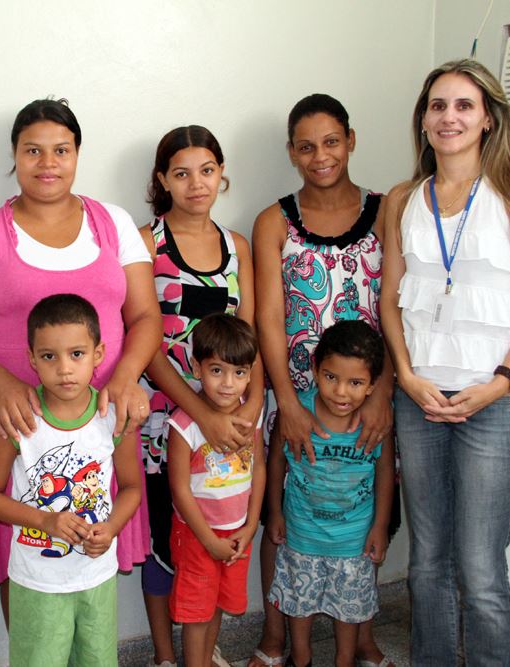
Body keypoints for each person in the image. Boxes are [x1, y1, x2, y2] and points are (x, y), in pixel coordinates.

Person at [0, 98, 160, 615]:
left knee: (90, 558)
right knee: (24, 563)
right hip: (19, 429)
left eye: (61, 150)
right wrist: (2, 383)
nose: (47, 162)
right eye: (32, 150)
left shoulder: (115, 223)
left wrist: (127, 377)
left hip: (100, 424)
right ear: (14, 156)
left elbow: (147, 317)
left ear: (78, 154)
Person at [380, 59, 510, 664]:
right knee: (427, 560)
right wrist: (404, 374)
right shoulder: (403, 199)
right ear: (423, 120)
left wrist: (501, 382)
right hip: (420, 396)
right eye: (437, 106)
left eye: (463, 106)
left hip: (498, 403)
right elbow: (390, 300)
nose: (448, 117)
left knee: (478, 568)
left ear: (487, 119)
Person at [251, 94, 393, 667]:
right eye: (306, 146)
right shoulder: (274, 220)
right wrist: (286, 399)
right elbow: (267, 314)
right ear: (291, 152)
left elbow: (394, 304)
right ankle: (275, 633)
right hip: (297, 395)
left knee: (357, 501)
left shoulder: (386, 211)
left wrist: (382, 394)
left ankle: (358, 635)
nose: (320, 156)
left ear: (351, 140)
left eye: (331, 141)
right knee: (286, 510)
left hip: (366, 393)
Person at [136, 125, 263, 667]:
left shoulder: (237, 246)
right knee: (170, 545)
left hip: (230, 423)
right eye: (181, 173)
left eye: (206, 170)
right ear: (163, 179)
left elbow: (250, 333)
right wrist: (200, 414)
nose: (196, 184)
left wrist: (248, 413)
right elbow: (144, 342)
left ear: (221, 173)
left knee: (219, 532)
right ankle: (167, 656)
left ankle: (203, 654)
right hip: (168, 422)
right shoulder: (146, 243)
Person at [0, 294, 142, 667]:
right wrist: (46, 521)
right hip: (37, 581)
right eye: (50, 356)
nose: (65, 369)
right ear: (32, 359)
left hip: (96, 577)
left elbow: (132, 488)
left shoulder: (113, 417)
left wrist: (112, 528)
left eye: (77, 354)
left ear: (98, 354)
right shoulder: (19, 420)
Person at [266, 320, 394, 667]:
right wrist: (275, 512)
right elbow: (276, 460)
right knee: (299, 603)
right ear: (315, 369)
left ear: (372, 386)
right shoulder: (297, 413)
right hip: (302, 535)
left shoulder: (375, 425)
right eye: (331, 377)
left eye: (356, 383)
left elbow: (385, 473)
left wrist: (380, 526)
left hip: (353, 541)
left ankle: (344, 660)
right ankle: (301, 657)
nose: (341, 392)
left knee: (348, 609)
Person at [166, 314, 265, 667]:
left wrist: (251, 525)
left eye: (239, 373)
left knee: (219, 603)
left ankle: (207, 659)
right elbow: (178, 488)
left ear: (251, 373)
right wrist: (208, 540)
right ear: (196, 367)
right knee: (197, 612)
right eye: (217, 370)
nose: (228, 384)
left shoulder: (250, 417)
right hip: (197, 536)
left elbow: (259, 468)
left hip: (237, 533)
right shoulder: (183, 424)